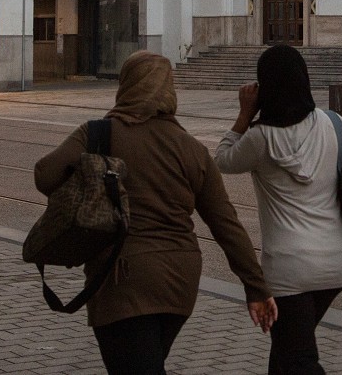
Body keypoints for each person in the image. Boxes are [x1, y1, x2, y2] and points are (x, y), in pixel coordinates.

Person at [35, 51, 277, 375]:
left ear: (126, 85)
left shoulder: (97, 134)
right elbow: (227, 227)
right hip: (179, 282)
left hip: (122, 280)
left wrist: (89, 174)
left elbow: (45, 175)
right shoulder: (192, 149)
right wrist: (257, 289)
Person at [216, 44, 342, 375]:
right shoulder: (335, 123)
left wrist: (243, 116)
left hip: (288, 271)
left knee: (298, 360)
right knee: (286, 356)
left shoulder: (259, 138)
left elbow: (220, 161)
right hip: (335, 263)